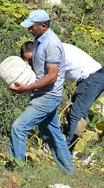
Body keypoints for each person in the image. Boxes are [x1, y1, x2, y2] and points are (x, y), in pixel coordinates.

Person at [8, 10, 75, 174]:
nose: (29, 30)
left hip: (48, 96)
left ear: (43, 26)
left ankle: (16, 171)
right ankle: (69, 173)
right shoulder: (39, 40)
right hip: (42, 94)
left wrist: (27, 88)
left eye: (32, 27)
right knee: (53, 135)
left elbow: (52, 76)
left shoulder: (52, 44)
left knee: (19, 127)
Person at [21, 41, 104, 151]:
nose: (31, 63)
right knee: (71, 112)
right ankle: (73, 143)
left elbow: (49, 80)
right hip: (90, 78)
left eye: (31, 59)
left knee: (77, 115)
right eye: (28, 60)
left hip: (92, 79)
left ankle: (69, 149)